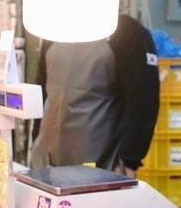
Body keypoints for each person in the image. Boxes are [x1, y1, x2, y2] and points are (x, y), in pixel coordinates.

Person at [31, 13, 159, 176]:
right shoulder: (56, 28)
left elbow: (143, 102)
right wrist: (35, 139)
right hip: (46, 161)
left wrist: (129, 160)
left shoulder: (128, 32)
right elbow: (42, 91)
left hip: (101, 166)